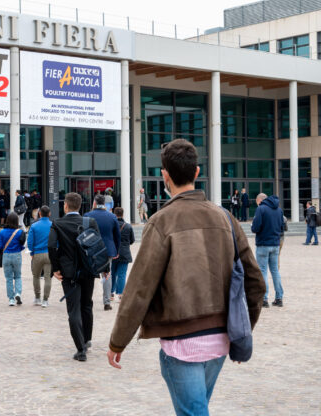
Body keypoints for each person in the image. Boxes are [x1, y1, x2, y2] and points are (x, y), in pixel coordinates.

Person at [106, 139, 266, 416]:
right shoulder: (226, 218)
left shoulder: (161, 222)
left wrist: (117, 342)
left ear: (164, 175)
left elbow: (138, 291)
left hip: (182, 344)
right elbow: (256, 283)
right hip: (220, 340)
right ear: (196, 172)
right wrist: (241, 334)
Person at [48, 192, 100, 362]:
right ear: (80, 206)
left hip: (69, 273)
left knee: (74, 309)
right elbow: (98, 245)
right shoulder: (89, 222)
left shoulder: (58, 224)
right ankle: (87, 340)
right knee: (87, 305)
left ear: (65, 205)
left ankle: (80, 349)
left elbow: (51, 246)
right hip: (88, 271)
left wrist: (55, 268)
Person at [84, 194, 120, 311]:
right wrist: (117, 250)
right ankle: (107, 302)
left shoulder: (88, 216)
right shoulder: (112, 216)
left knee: (89, 274)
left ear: (94, 203)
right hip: (108, 249)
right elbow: (117, 236)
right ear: (104, 204)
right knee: (107, 275)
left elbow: (83, 234)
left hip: (91, 249)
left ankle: (87, 300)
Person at [252, 192, 285, 307]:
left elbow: (255, 227)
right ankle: (279, 297)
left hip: (263, 244)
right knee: (275, 271)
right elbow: (282, 227)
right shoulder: (279, 210)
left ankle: (264, 299)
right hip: (275, 244)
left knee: (263, 271)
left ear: (259, 200)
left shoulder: (261, 209)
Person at [0, 212, 26, 306]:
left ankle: (11, 299)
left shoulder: (2, 232)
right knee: (18, 276)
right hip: (17, 255)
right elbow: (22, 245)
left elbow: (0, 246)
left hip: (6, 255)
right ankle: (18, 293)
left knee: (9, 278)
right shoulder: (20, 232)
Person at [27, 205, 53, 307]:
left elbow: (29, 243)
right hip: (49, 254)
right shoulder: (53, 225)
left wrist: (32, 252)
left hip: (37, 253)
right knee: (47, 278)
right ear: (49, 214)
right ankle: (45, 300)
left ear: (40, 214)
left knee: (36, 276)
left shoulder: (34, 226)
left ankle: (37, 298)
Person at [110, 207, 135, 301]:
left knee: (112, 273)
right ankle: (120, 294)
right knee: (122, 274)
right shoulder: (128, 226)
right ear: (123, 214)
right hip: (125, 253)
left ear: (114, 214)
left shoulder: (111, 225)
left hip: (113, 252)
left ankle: (110, 293)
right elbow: (132, 240)